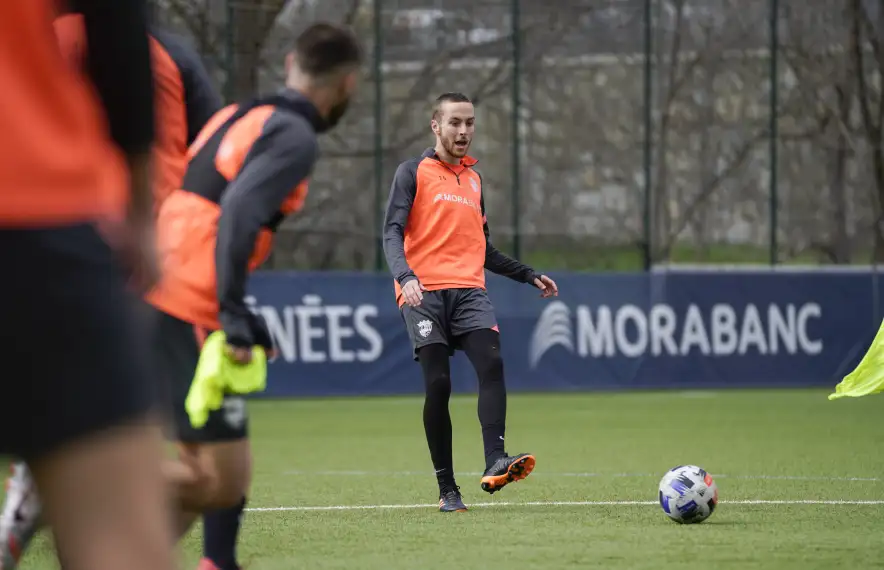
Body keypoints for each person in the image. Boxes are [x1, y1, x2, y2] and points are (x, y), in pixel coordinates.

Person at [0, 11, 226, 570]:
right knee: (140, 521)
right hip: (35, 207)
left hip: (44, 215)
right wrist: (141, 214)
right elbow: (117, 33)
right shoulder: (158, 54)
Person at [143, 21, 361, 570]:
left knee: (222, 476)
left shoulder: (241, 113)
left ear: (290, 63)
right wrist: (232, 311)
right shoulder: (294, 135)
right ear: (348, 86)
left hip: (166, 284)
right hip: (189, 297)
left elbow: (203, 201)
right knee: (214, 480)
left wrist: (237, 310)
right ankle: (69, 486)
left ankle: (212, 562)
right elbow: (237, 211)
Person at [382, 92, 559, 512]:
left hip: (469, 290)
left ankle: (496, 459)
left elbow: (483, 250)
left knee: (492, 365)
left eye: (470, 123)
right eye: (455, 123)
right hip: (422, 292)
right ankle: (448, 489)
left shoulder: (475, 181)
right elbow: (391, 232)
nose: (464, 131)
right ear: (435, 126)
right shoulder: (412, 172)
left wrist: (526, 273)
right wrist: (405, 277)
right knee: (439, 384)